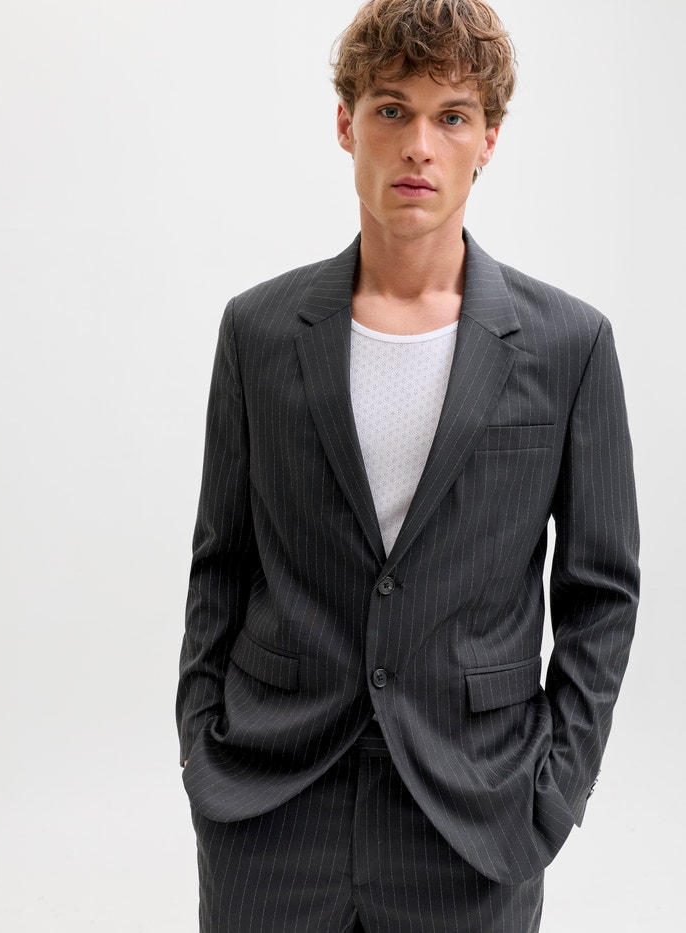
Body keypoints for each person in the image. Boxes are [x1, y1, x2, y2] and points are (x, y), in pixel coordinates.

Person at [176, 1, 640, 930]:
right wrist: (201, 747)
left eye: (451, 116)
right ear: (346, 124)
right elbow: (220, 560)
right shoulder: (258, 330)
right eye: (391, 109)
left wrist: (555, 790)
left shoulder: (569, 344)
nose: (419, 145)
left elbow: (602, 592)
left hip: (476, 814)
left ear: (488, 139)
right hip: (270, 800)